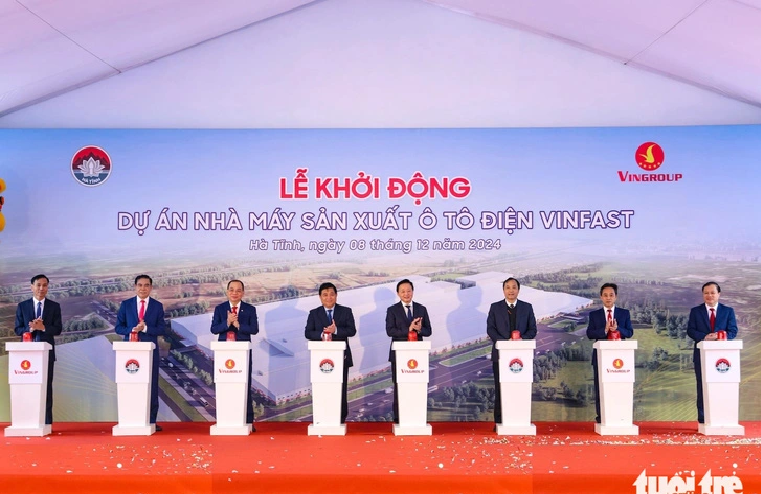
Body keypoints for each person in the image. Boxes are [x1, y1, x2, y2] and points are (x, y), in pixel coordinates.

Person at [115, 275, 166, 431]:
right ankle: (129, 418)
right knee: (130, 384)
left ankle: (150, 421)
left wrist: (145, 329)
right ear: (135, 287)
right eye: (140, 285)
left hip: (150, 353)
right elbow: (118, 328)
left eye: (146, 285)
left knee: (152, 385)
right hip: (130, 352)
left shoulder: (157, 306)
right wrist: (132, 329)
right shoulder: (126, 305)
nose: (143, 288)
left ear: (151, 287)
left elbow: (162, 329)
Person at [487, 277, 537, 426]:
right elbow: (490, 329)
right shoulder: (495, 307)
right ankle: (499, 421)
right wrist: (503, 342)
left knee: (520, 388)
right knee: (500, 388)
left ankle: (521, 419)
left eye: (514, 287)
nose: (511, 290)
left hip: (522, 355)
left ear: (518, 290)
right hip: (501, 356)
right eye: (507, 287)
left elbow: (533, 329)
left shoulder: (527, 307)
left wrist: (522, 339)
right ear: (503, 290)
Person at [14, 274, 63, 426]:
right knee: (27, 387)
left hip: (46, 353)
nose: (41, 288)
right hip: (26, 355)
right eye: (38, 285)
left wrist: (43, 328)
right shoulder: (23, 306)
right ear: (32, 287)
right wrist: (30, 327)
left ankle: (46, 422)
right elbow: (17, 329)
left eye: (45, 285)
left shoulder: (54, 306)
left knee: (46, 387)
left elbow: (58, 329)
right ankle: (26, 420)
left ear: (47, 287)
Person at [305, 282, 357, 423]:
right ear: (320, 297)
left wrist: (336, 331)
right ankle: (322, 418)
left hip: (341, 357)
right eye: (325, 295)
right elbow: (308, 333)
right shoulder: (314, 313)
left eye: (332, 294)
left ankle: (340, 419)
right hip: (321, 359)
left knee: (341, 389)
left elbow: (352, 331)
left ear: (336, 295)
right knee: (322, 389)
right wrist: (323, 333)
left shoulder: (346, 311)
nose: (329, 298)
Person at [686, 281, 738, 424]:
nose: (709, 296)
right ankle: (703, 419)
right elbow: (691, 330)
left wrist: (720, 336)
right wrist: (704, 337)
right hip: (702, 355)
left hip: (723, 357)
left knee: (722, 385)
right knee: (702, 386)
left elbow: (733, 331)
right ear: (703, 295)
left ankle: (724, 417)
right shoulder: (696, 311)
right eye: (706, 293)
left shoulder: (728, 311)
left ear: (718, 294)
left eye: (712, 293)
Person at [210, 279, 259, 428]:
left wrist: (239, 325)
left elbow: (254, 330)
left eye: (238, 290)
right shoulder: (220, 308)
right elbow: (214, 329)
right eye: (231, 290)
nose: (235, 293)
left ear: (243, 293)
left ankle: (248, 421)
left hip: (242, 353)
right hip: (225, 353)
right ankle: (226, 419)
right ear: (227, 292)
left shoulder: (250, 309)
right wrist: (227, 323)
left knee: (245, 385)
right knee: (226, 385)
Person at [585, 282, 634, 423]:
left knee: (619, 387)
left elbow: (629, 333)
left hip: (620, 359)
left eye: (611, 295)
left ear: (616, 297)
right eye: (605, 295)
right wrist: (605, 330)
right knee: (600, 387)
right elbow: (589, 333)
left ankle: (620, 416)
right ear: (601, 297)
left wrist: (617, 329)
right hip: (601, 358)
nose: (608, 298)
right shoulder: (594, 315)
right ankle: (602, 417)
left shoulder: (624, 313)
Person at [385, 278, 431, 423]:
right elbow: (390, 331)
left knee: (417, 386)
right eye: (403, 291)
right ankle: (400, 419)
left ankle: (417, 418)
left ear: (413, 291)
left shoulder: (421, 309)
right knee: (400, 387)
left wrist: (419, 329)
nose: (406, 294)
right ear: (398, 293)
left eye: (409, 291)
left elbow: (428, 331)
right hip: (399, 355)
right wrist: (409, 329)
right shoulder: (392, 310)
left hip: (418, 355)